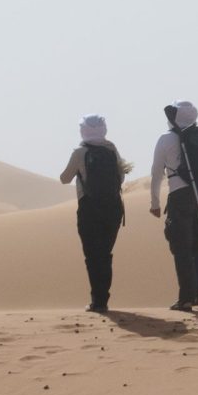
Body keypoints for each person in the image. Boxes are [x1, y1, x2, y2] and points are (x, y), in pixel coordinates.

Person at [148, 102, 198, 311]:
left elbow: (156, 172)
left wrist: (155, 202)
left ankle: (186, 297)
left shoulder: (166, 139)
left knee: (181, 246)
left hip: (180, 195)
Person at [58, 115, 130, 311]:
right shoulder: (112, 149)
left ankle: (97, 301)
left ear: (84, 130)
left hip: (90, 208)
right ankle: (103, 299)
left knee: (93, 255)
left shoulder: (80, 152)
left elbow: (65, 178)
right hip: (113, 207)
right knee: (105, 254)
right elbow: (121, 176)